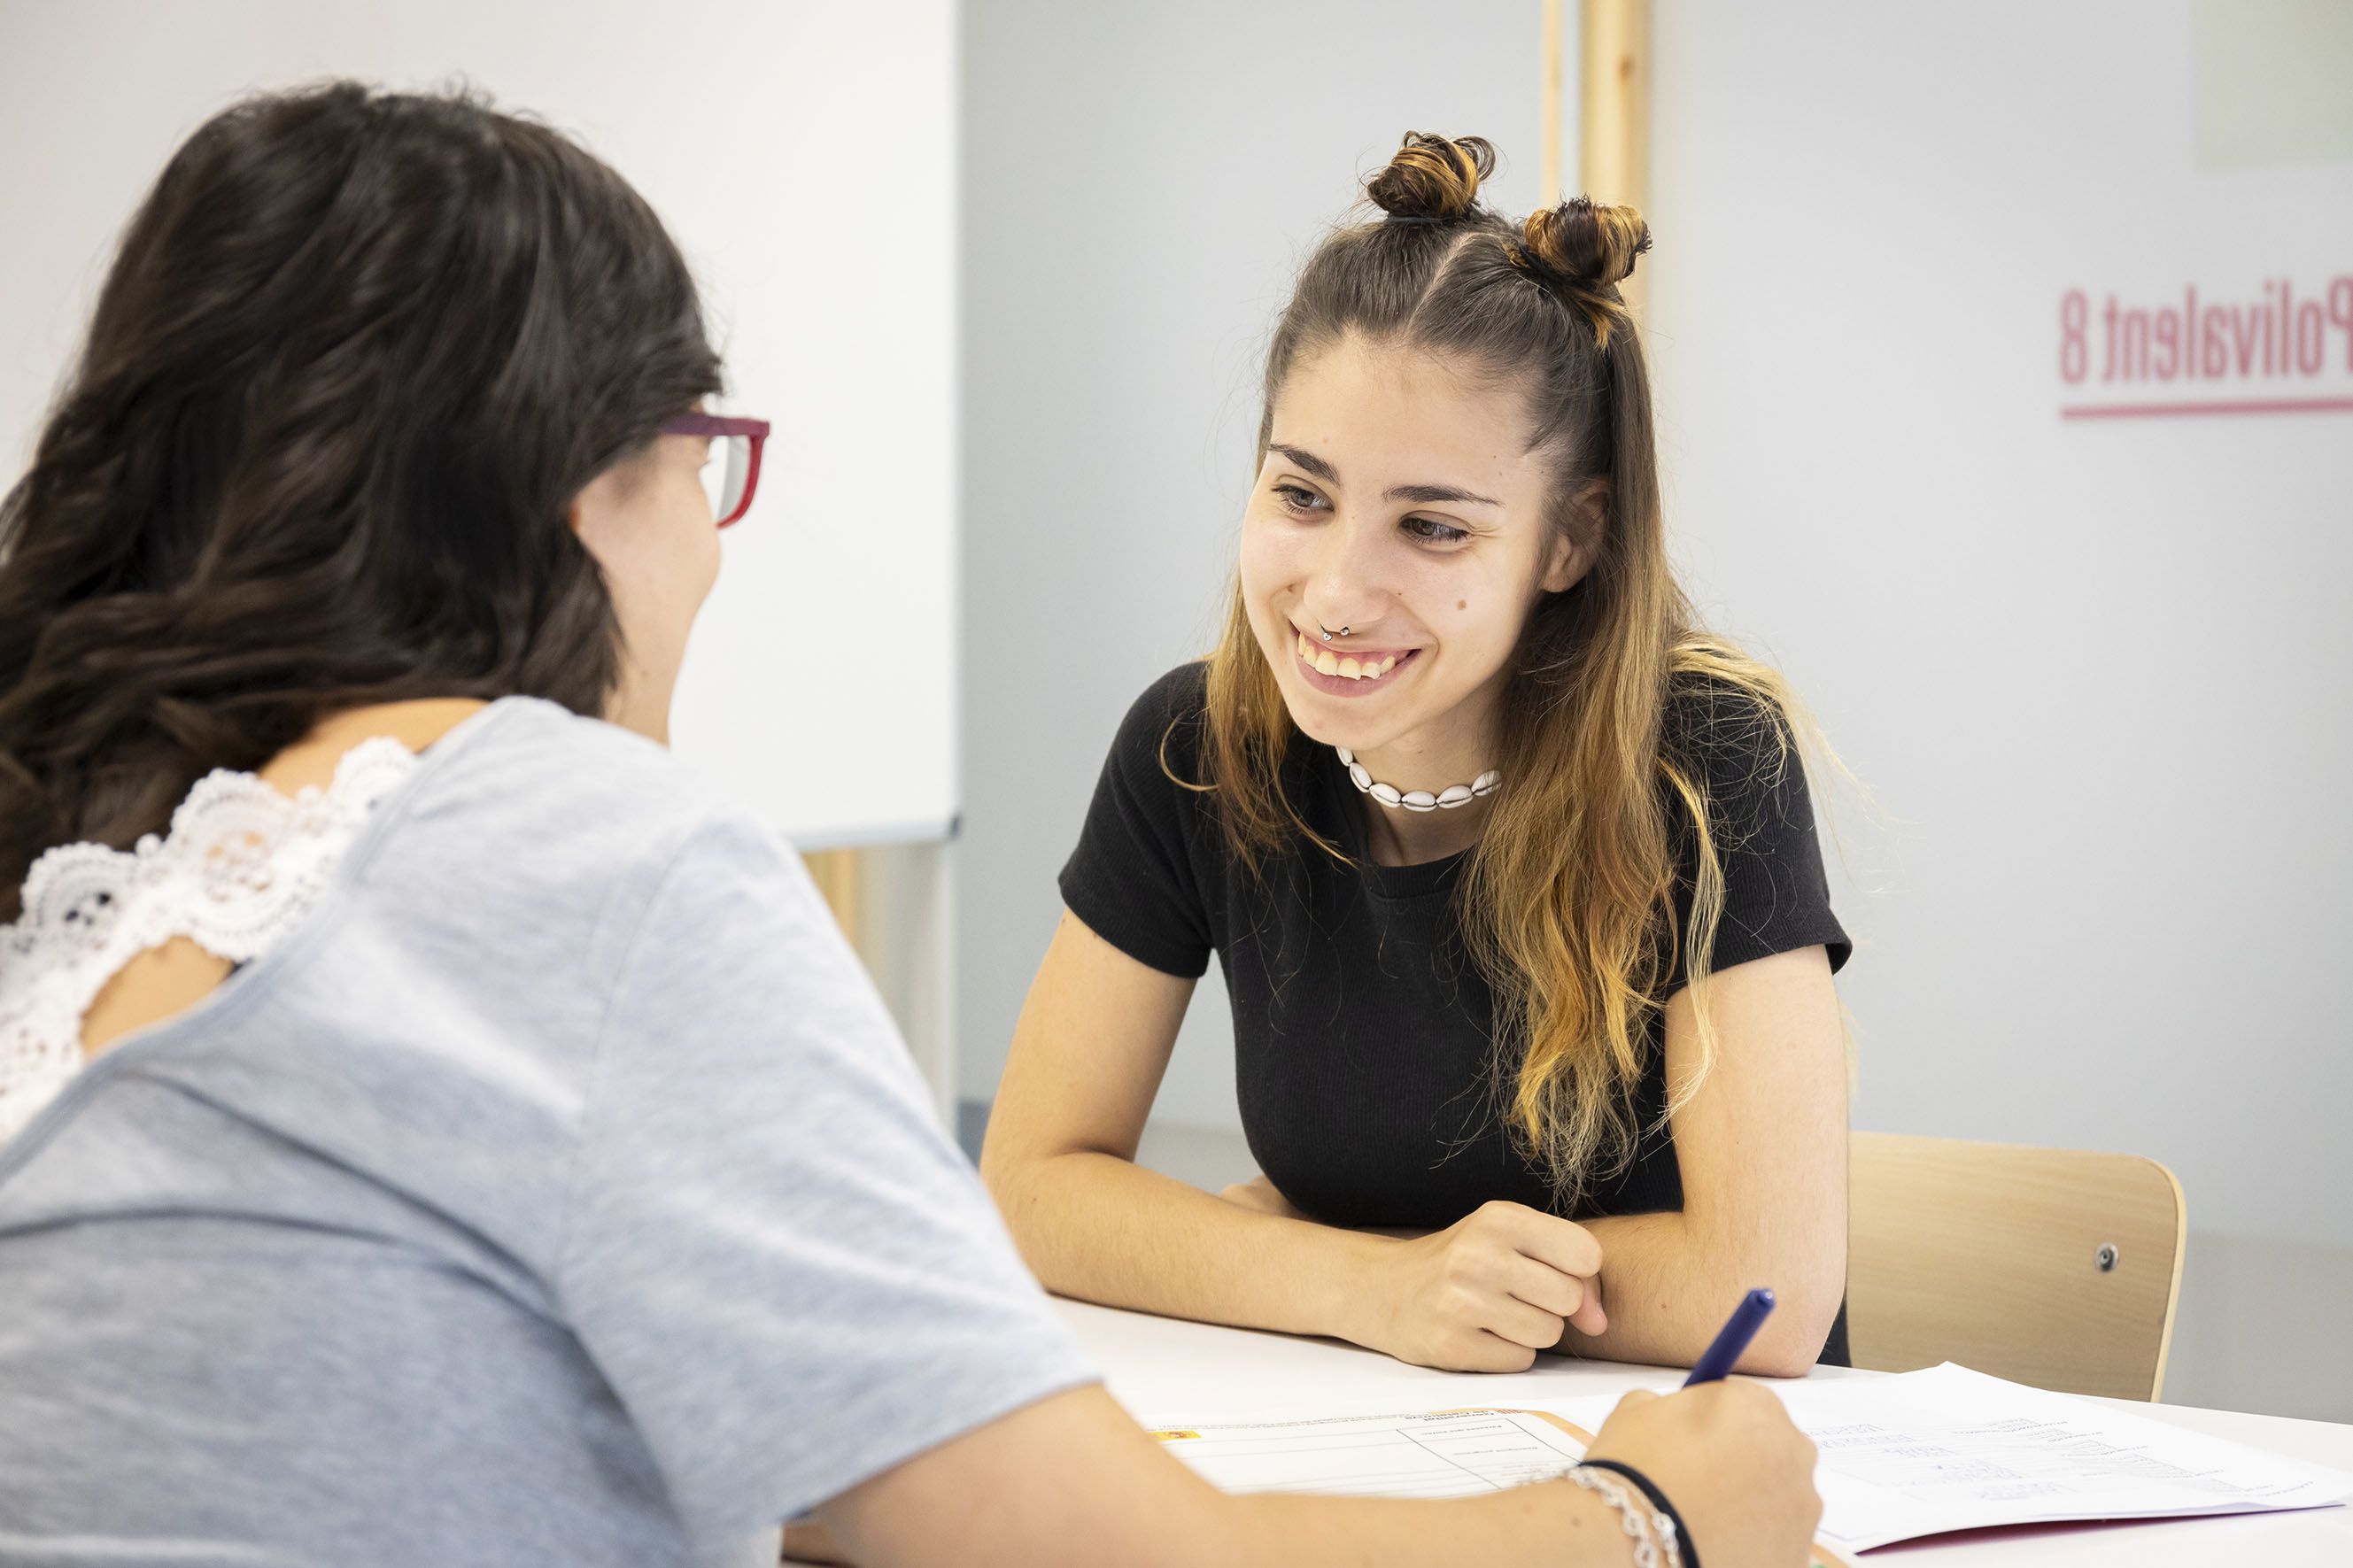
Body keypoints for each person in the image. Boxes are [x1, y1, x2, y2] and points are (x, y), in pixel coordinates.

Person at [0, 89, 1821, 1566]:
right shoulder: (592, 860)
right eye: (700, 456)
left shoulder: (78, 868)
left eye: (1433, 524)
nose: (715, 541)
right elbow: (1095, 1512)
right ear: (567, 492)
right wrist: (1637, 1519)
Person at [982, 133, 1854, 1379]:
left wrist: (1268, 1245)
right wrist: (1373, 1281)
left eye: (1431, 526)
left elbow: (1758, 1295)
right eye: (1301, 495)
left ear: (1568, 542)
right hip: (1360, 1426)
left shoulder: (1703, 757)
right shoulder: (1192, 749)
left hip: (1672, 1454)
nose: (1336, 594)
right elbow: (1029, 1190)